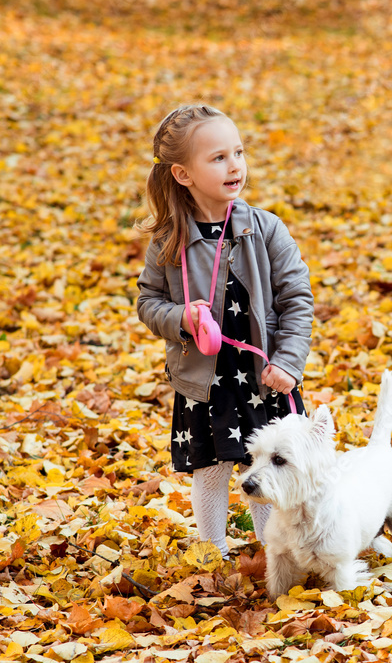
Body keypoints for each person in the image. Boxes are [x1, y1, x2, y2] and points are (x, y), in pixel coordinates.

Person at [135, 104, 313, 559]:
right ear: (182, 173)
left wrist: (289, 363)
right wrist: (181, 319)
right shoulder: (169, 240)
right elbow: (148, 303)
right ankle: (212, 551)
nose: (235, 164)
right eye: (217, 157)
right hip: (206, 378)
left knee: (266, 466)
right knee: (211, 467)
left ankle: (268, 550)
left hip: (263, 376)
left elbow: (297, 299)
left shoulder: (265, 229)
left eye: (238, 151)